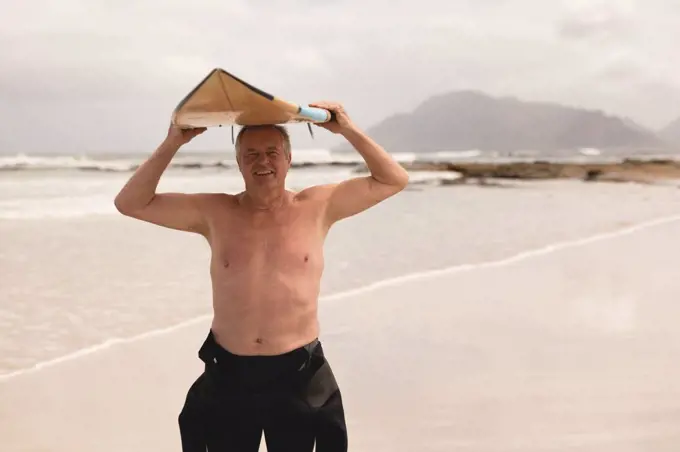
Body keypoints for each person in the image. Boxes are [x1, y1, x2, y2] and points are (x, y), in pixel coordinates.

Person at [113, 101, 409, 451]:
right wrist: (173, 142)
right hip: (228, 376)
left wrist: (345, 128)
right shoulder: (214, 212)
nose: (262, 162)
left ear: (288, 159)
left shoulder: (319, 206)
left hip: (299, 376)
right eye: (250, 154)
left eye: (271, 152)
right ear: (238, 163)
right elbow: (130, 203)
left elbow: (394, 179)